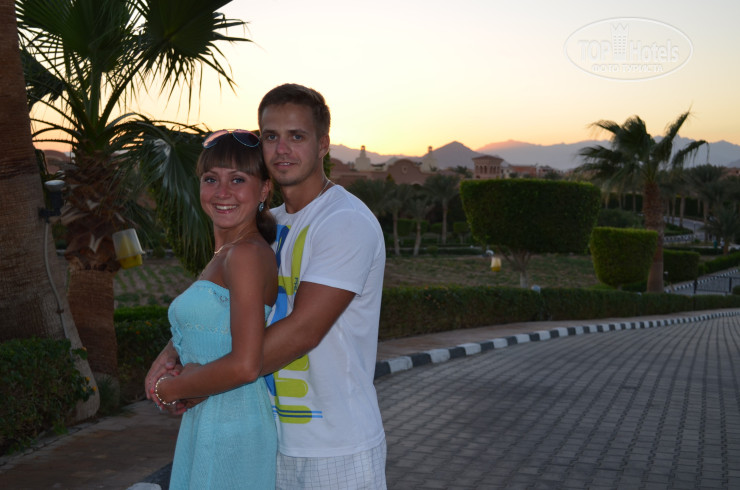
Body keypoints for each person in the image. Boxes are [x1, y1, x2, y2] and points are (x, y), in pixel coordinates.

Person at [146, 83, 387, 489]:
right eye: (271, 136)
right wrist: (171, 353)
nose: (282, 149)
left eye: (297, 136)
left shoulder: (344, 221)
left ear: (323, 144)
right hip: (270, 440)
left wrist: (193, 385)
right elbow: (224, 308)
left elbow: (303, 331)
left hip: (334, 448)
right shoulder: (267, 227)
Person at [149, 130, 278, 489]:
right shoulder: (226, 254)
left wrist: (168, 389)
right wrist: (172, 359)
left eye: (237, 179)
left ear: (264, 189)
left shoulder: (245, 255)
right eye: (211, 179)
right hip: (211, 422)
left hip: (232, 428)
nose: (222, 192)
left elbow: (245, 365)